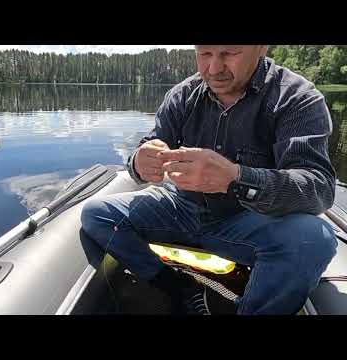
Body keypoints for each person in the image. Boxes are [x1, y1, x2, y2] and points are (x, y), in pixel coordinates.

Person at [81, 45, 338, 315]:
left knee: (313, 238)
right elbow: (149, 146)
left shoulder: (297, 98)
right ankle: (176, 287)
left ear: (262, 48)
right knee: (97, 215)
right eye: (205, 54)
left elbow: (318, 188)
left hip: (249, 220)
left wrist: (236, 178)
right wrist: (139, 162)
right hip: (181, 208)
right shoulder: (182, 95)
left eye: (230, 53)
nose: (214, 69)